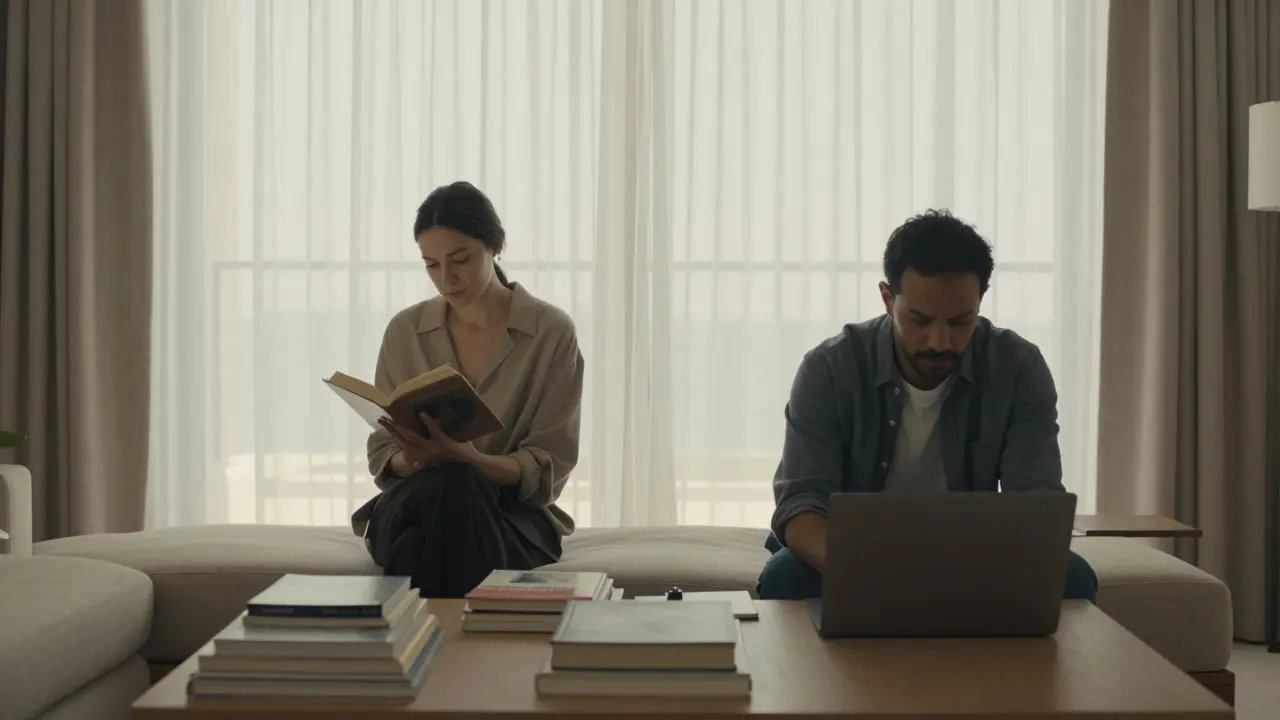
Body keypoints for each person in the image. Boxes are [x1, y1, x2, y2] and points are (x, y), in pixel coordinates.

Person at [756, 209, 1099, 603]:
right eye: (920, 320)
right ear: (888, 299)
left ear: (981, 300)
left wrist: (984, 563)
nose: (940, 342)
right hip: (849, 552)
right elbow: (802, 505)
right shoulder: (830, 368)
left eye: (960, 322)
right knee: (785, 576)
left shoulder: (1018, 366)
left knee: (1073, 578)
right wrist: (875, 573)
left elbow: (1036, 504)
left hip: (973, 552)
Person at [350, 181, 584, 598]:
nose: (447, 278)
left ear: (495, 246)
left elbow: (550, 462)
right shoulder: (405, 331)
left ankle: (411, 630)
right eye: (431, 264)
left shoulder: (550, 332)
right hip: (413, 502)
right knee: (448, 489)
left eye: (461, 259)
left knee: (446, 504)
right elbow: (382, 452)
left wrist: (472, 460)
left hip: (509, 517)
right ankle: (469, 634)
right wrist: (413, 458)